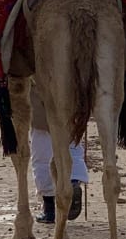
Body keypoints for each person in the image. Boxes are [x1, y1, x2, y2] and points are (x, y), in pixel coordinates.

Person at [30, 90, 87, 224]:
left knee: (42, 150)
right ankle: (73, 182)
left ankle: (50, 209)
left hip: (42, 100)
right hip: (72, 99)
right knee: (72, 144)